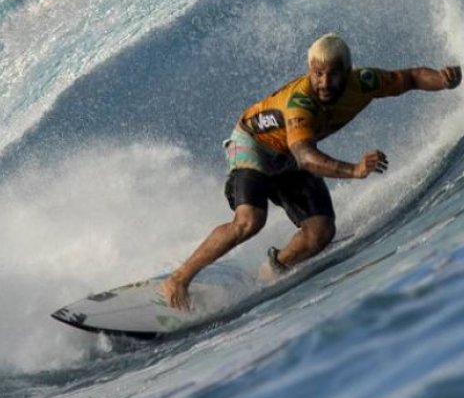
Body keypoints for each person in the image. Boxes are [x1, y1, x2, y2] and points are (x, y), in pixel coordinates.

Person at [160, 33, 461, 312]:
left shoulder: (364, 82)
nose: (325, 82)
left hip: (290, 154)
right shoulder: (300, 103)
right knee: (250, 220)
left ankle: (270, 271)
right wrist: (354, 170)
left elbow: (408, 78)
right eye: (317, 73)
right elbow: (305, 158)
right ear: (309, 71)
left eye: (333, 74)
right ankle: (178, 279)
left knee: (320, 233)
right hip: (253, 144)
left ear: (348, 70)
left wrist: (441, 79)